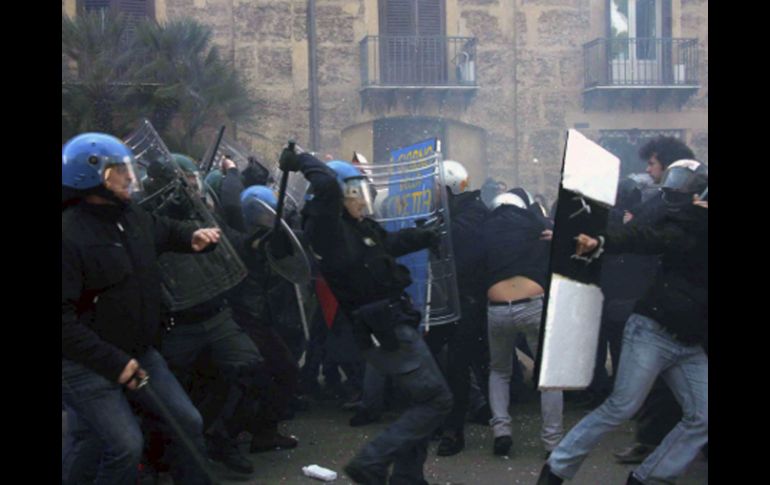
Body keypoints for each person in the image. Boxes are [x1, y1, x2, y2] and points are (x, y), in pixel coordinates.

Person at [280, 149, 452, 485]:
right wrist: (300, 159)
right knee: (436, 400)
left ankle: (407, 478)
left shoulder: (358, 228)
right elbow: (327, 182)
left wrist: (424, 235)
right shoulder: (327, 230)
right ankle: (370, 462)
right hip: (382, 327)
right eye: (355, 191)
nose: (362, 198)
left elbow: (387, 244)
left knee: (418, 401)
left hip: (392, 320)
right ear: (337, 196)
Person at [537, 160, 708, 485]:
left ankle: (649, 478)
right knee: (621, 406)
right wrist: (602, 242)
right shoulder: (693, 225)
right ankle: (556, 470)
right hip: (652, 331)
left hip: (689, 342)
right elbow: (647, 237)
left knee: (703, 417)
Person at [62, 133, 220, 485]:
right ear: (94, 176)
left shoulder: (130, 215)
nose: (130, 178)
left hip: (137, 352)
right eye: (120, 171)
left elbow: (162, 230)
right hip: (84, 364)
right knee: (123, 446)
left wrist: (192, 237)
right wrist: (114, 363)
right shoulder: (69, 234)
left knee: (186, 421)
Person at [482, 191, 563, 457]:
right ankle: (552, 441)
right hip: (532, 304)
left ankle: (502, 430)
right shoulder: (535, 223)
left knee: (499, 371)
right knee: (548, 377)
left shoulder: (485, 228)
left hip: (497, 308)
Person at [423, 160, 491, 457]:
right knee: (431, 358)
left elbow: (461, 243)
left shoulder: (474, 213)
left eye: (436, 189)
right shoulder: (448, 213)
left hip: (468, 302)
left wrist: (433, 231)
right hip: (445, 299)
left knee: (459, 367)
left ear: (448, 188)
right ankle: (441, 419)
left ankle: (455, 429)